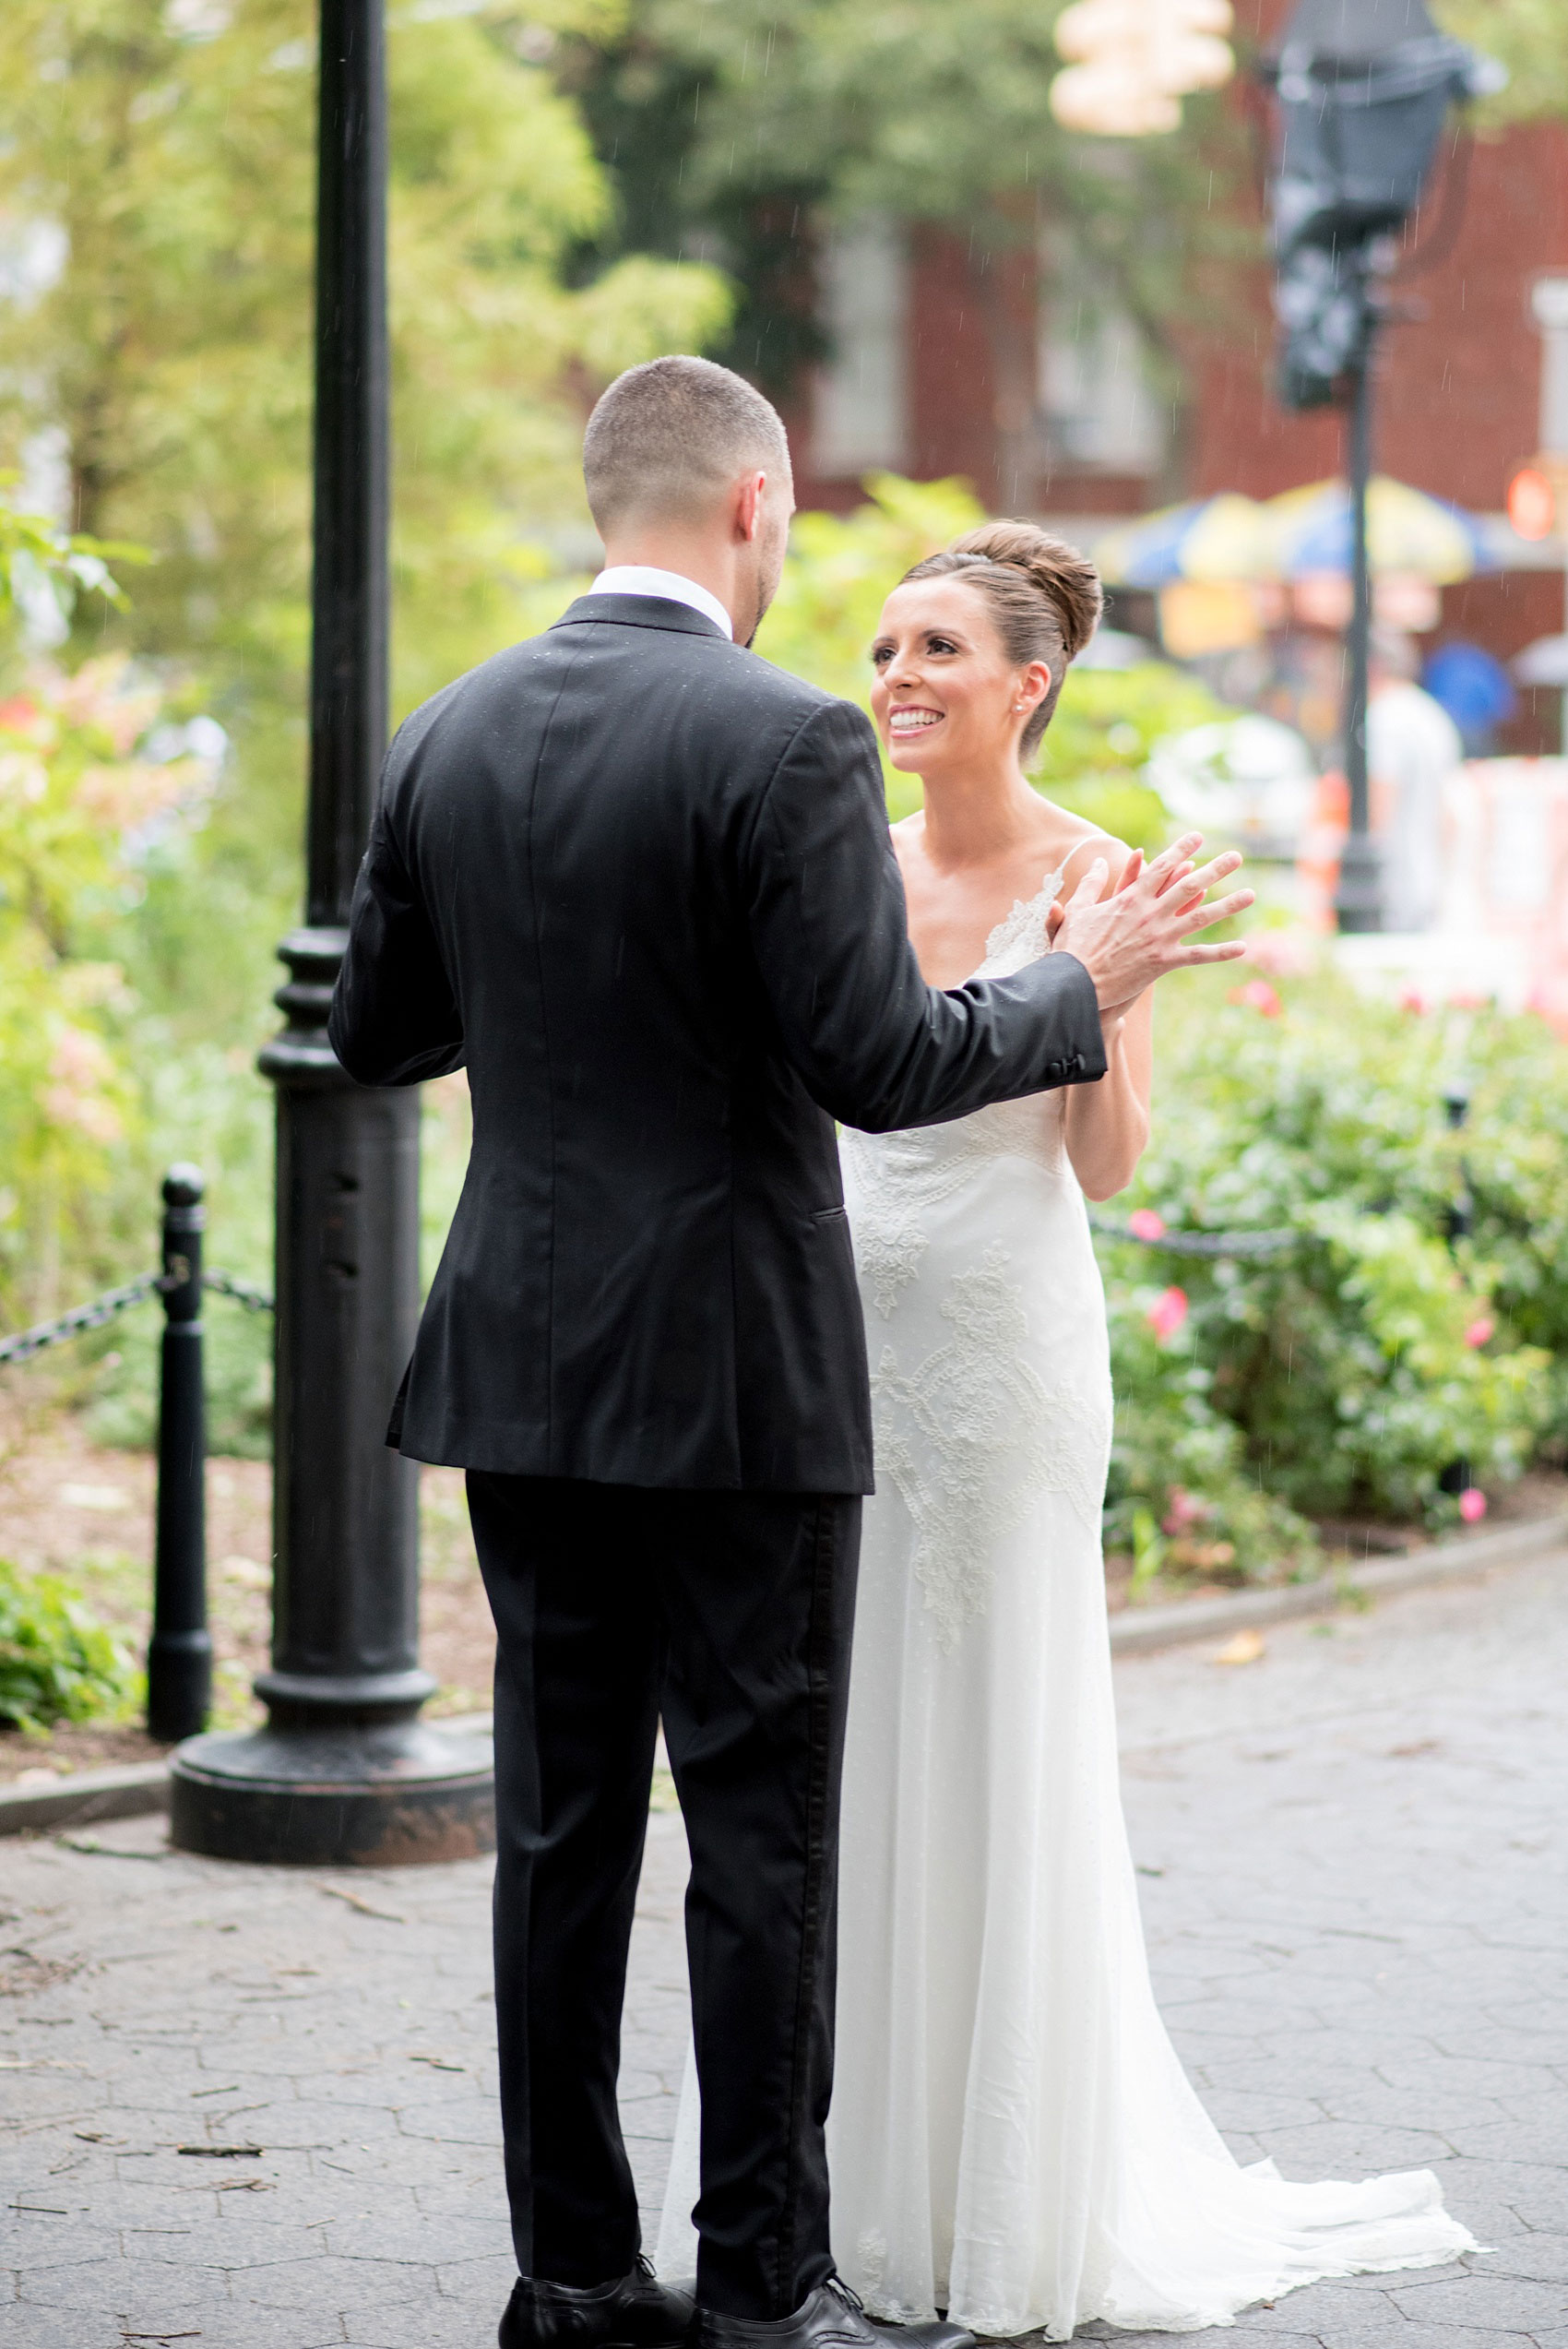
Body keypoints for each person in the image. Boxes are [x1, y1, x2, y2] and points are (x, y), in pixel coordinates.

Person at [328, 357, 1251, 2349]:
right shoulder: (785, 738)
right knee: (760, 1842)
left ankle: (570, 2275)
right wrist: (1077, 985)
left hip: (520, 1363)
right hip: (740, 1372)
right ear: (753, 504)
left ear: (610, 499)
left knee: (560, 1833)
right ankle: (758, 2288)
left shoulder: (446, 729)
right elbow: (881, 1061)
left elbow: (376, 1038)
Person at [656, 524, 1478, 2335]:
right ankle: (841, 2187)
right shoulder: (840, 861)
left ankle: (1009, 2192)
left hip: (1004, 1353)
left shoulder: (1101, 875)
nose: (894, 678)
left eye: (936, 647)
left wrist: (1105, 988)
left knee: (992, 1727)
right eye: (880, 647)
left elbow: (1106, 1171)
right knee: (843, 1746)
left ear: (1026, 683)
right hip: (832, 1342)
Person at [1368, 628, 1463, 934]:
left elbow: (1379, 803)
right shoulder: (1430, 714)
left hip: (1393, 881)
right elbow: (1449, 813)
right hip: (1430, 876)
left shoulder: (1384, 717)